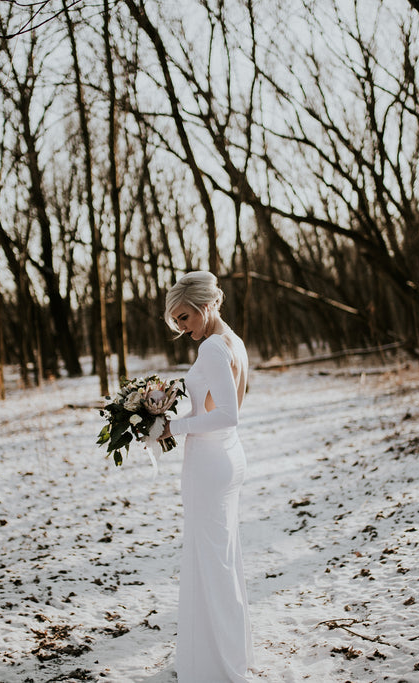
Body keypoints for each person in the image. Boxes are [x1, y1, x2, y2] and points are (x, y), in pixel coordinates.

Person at [160, 271, 254, 682]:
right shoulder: (232, 341)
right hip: (225, 459)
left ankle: (217, 667)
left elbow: (227, 415)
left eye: (184, 317)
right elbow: (217, 407)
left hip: (211, 464)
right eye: (177, 320)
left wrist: (171, 428)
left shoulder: (214, 349)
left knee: (211, 562)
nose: (182, 327)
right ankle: (228, 654)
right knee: (221, 560)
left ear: (206, 306)